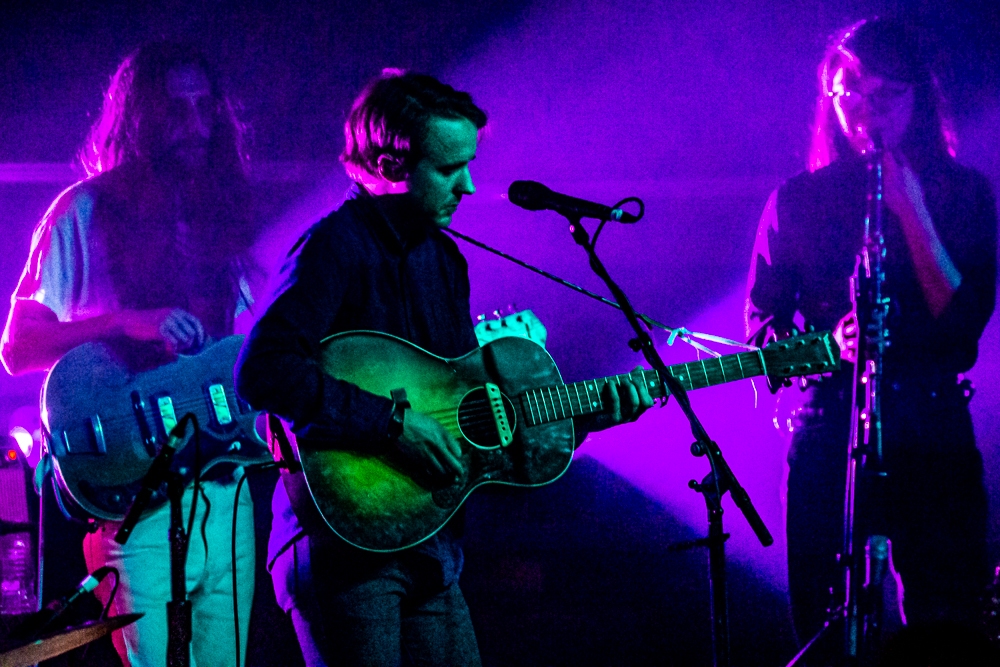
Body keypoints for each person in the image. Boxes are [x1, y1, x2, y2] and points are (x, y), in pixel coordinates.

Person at [234, 69, 654, 667]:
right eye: (449, 168)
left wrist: (579, 421)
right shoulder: (333, 247)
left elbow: (472, 424)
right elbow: (263, 368)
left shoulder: (446, 260)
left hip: (428, 546)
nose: (470, 186)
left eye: (469, 164)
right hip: (341, 548)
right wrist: (391, 423)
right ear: (389, 165)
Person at [1, 41, 261, 667]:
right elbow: (17, 348)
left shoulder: (222, 221)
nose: (197, 127)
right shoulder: (82, 212)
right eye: (177, 111)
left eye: (206, 110)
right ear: (141, 118)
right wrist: (123, 323)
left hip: (226, 493)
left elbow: (250, 353)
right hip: (134, 499)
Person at [745, 17, 997, 654]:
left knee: (949, 623)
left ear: (918, 98)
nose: (864, 111)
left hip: (933, 424)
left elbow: (965, 318)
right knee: (826, 623)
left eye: (884, 94)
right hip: (831, 428)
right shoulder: (796, 201)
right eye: (849, 93)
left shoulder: (964, 192)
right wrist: (832, 344)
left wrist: (911, 205)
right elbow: (762, 333)